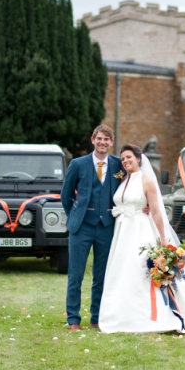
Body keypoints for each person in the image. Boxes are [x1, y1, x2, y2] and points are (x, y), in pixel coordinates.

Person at [98, 144, 185, 333]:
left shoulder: (146, 181)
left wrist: (163, 238)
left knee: (139, 270)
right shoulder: (122, 181)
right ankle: (120, 314)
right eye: (123, 158)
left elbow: (156, 211)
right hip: (122, 232)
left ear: (139, 159)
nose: (125, 161)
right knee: (121, 272)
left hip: (140, 232)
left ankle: (147, 316)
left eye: (129, 157)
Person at [61, 125, 122, 331]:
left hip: (107, 227)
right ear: (92, 140)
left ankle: (97, 318)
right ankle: (73, 319)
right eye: (99, 138)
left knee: (101, 276)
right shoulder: (78, 164)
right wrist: (75, 216)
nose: (102, 142)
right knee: (75, 275)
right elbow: (66, 195)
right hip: (82, 227)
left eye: (107, 139)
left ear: (111, 142)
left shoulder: (118, 165)